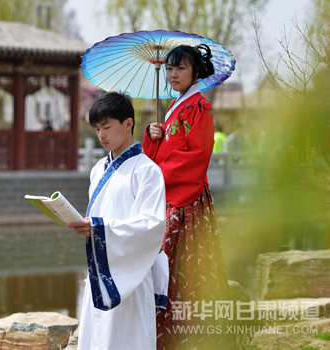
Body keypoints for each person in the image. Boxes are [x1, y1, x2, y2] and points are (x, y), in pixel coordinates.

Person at [142, 44, 235, 349]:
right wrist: (152, 136)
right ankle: (163, 333)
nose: (173, 74)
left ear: (195, 71)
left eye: (180, 68)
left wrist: (157, 175)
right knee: (165, 270)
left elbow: (195, 157)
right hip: (167, 198)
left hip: (185, 202)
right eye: (169, 68)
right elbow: (156, 156)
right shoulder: (175, 109)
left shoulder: (201, 108)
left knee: (185, 271)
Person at [68, 91, 169, 350]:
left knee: (127, 340)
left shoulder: (148, 171)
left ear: (128, 124)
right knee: (97, 338)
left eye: (107, 127)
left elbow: (151, 226)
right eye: (97, 128)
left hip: (131, 275)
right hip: (100, 269)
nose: (101, 135)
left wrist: (99, 228)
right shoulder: (98, 169)